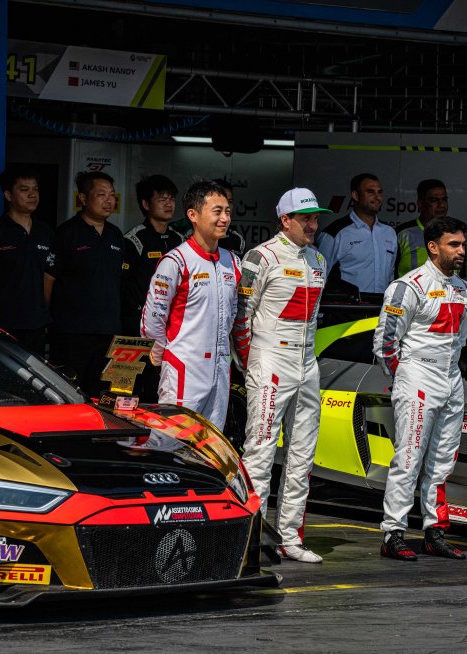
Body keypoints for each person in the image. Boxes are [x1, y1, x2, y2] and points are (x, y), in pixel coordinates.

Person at [234, 188, 332, 564]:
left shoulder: (319, 259)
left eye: (316, 218)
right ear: (285, 220)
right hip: (271, 360)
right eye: (305, 218)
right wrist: (251, 363)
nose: (313, 224)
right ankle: (252, 538)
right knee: (260, 451)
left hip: (307, 363)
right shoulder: (261, 256)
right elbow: (241, 315)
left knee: (303, 454)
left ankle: (289, 538)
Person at [373, 216, 467, 561]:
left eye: (462, 244)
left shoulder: (465, 290)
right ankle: (393, 533)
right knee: (409, 459)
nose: (461, 251)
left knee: (443, 462)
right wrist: (404, 378)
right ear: (433, 247)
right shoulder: (408, 286)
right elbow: (385, 343)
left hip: (451, 379)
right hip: (417, 376)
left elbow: (462, 339)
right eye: (453, 244)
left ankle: (435, 532)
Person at [141, 180, 239, 429]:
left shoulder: (232, 262)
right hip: (184, 369)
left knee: (212, 441)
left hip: (220, 367)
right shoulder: (176, 261)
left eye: (227, 211)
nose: (225, 218)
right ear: (193, 215)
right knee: (174, 439)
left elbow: (234, 314)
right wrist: (162, 358)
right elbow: (153, 318)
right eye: (217, 211)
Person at [45, 171, 123, 395]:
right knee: (70, 392)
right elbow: (48, 280)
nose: (109, 200)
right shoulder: (66, 233)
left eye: (112, 195)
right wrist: (51, 319)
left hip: (108, 332)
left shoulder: (116, 235)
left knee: (103, 394)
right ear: (82, 198)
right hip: (72, 333)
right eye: (101, 194)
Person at [0, 166, 54, 356]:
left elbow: (49, 276)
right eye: (24, 190)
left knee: (35, 374)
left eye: (35, 189)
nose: (32, 195)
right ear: (8, 195)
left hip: (36, 325)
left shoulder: (46, 232)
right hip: (1, 326)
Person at [317, 173, 397, 296]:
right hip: (347, 306)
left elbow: (390, 275)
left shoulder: (389, 232)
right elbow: (317, 277)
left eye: (380, 192)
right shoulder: (335, 233)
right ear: (355, 195)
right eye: (370, 192)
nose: (377, 197)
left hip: (381, 305)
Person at [121, 175, 182, 336]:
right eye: (162, 199)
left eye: (171, 198)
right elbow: (122, 286)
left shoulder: (179, 240)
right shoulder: (133, 240)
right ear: (146, 204)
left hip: (173, 323)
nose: (169, 204)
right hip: (140, 324)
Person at [395, 179, 449, 277]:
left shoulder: (455, 234)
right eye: (434, 200)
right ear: (420, 204)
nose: (441, 205)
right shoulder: (402, 233)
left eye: (444, 199)